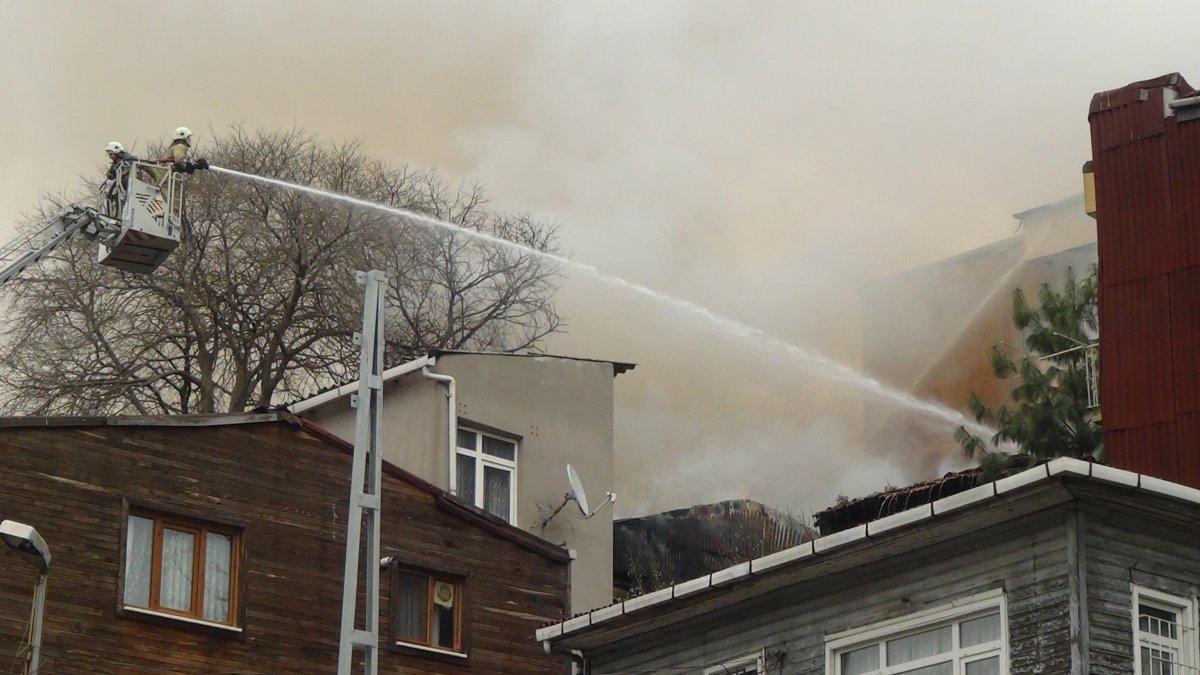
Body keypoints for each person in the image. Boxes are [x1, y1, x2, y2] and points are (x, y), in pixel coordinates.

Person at [104, 141, 138, 218]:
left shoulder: (128, 160)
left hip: (129, 186)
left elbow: (128, 172)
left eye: (111, 154)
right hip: (122, 188)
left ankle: (118, 216)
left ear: (116, 152)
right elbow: (111, 175)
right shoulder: (117, 163)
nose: (110, 157)